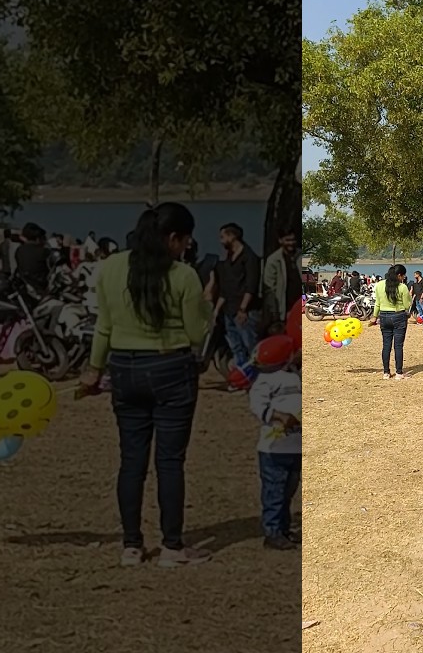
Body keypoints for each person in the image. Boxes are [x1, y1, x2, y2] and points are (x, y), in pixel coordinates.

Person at [78, 202, 213, 568]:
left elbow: (103, 326)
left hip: (124, 368)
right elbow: (195, 333)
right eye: (185, 240)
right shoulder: (184, 276)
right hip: (171, 366)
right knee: (170, 462)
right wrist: (207, 305)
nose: (187, 247)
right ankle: (171, 545)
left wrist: (93, 369)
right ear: (173, 238)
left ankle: (131, 545)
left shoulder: (111, 268)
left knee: (131, 461)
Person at [246, 343, 302, 551]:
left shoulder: (294, 375)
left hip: (295, 447)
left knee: (288, 491)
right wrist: (279, 416)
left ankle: (284, 528)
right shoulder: (264, 381)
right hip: (273, 448)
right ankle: (272, 532)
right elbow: (257, 405)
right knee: (274, 492)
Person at [214, 223, 262, 372]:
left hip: (243, 311)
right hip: (229, 309)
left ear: (232, 236)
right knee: (236, 347)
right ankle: (243, 375)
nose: (221, 241)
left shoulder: (249, 257)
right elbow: (225, 288)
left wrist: (243, 309)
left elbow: (251, 286)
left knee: (250, 346)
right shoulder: (228, 259)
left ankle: (256, 377)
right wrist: (216, 310)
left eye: (223, 237)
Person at [369, 264, 412, 379]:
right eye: (403, 276)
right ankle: (399, 372)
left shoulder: (379, 285)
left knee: (386, 345)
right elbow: (407, 305)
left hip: (383, 316)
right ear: (399, 275)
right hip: (398, 316)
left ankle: (386, 372)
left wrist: (374, 316)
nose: (403, 278)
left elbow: (377, 303)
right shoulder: (402, 287)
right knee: (398, 346)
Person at [262, 227, 300, 336]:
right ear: (280, 241)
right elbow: (269, 288)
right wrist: (275, 313)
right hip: (284, 306)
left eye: (293, 240)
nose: (291, 243)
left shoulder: (301, 256)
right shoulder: (273, 260)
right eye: (287, 240)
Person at [15, 223, 52, 293]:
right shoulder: (44, 252)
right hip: (41, 289)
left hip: (24, 289)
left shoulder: (19, 250)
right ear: (38, 238)